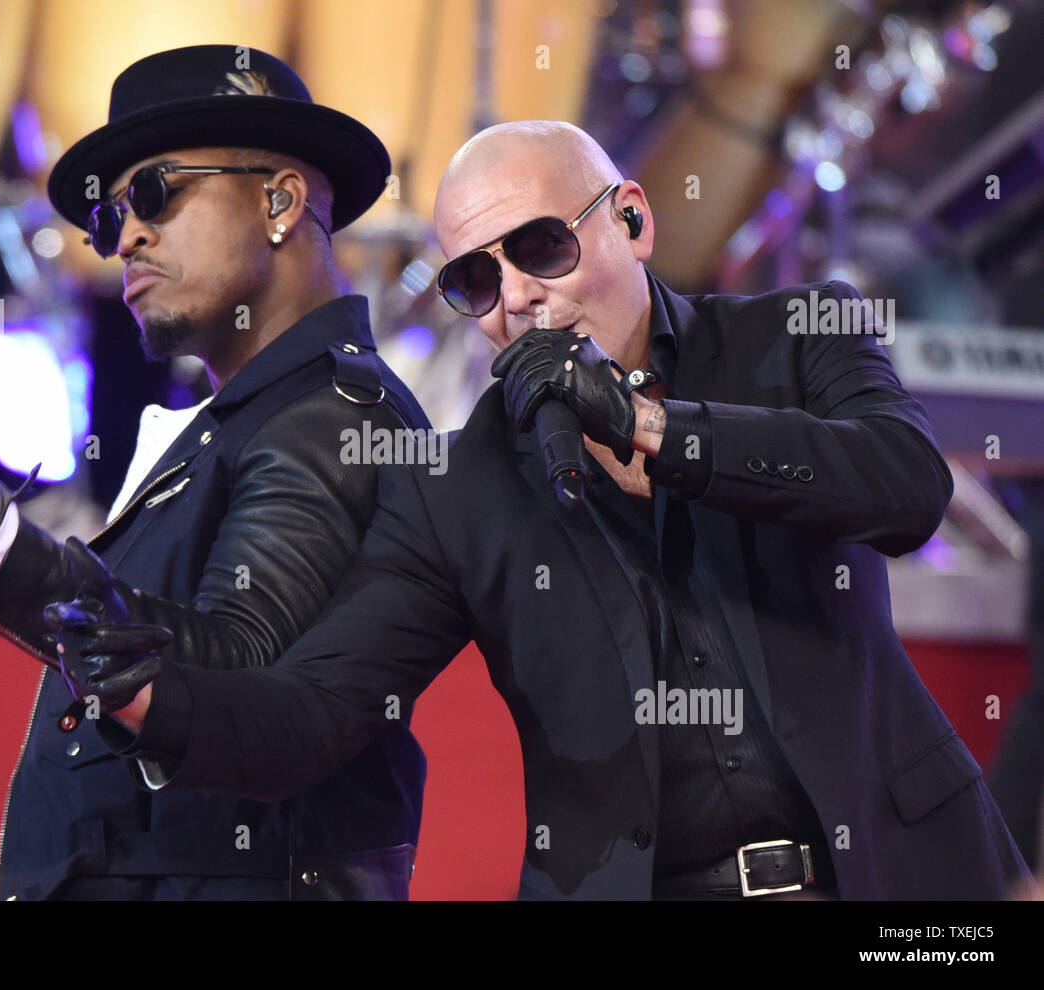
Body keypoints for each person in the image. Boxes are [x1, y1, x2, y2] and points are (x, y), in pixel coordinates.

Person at [62, 119, 1034, 900]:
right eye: (475, 279)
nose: (519, 297)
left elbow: (905, 488)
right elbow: (315, 711)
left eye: (540, 246)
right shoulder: (459, 489)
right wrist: (151, 698)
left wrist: (652, 425)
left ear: (633, 221)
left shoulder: (792, 338)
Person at [0, 45, 431, 900]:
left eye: (154, 193)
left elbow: (236, 674)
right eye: (110, 220)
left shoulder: (336, 418)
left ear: (280, 200)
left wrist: (1, 553)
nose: (129, 239)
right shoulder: (246, 422)